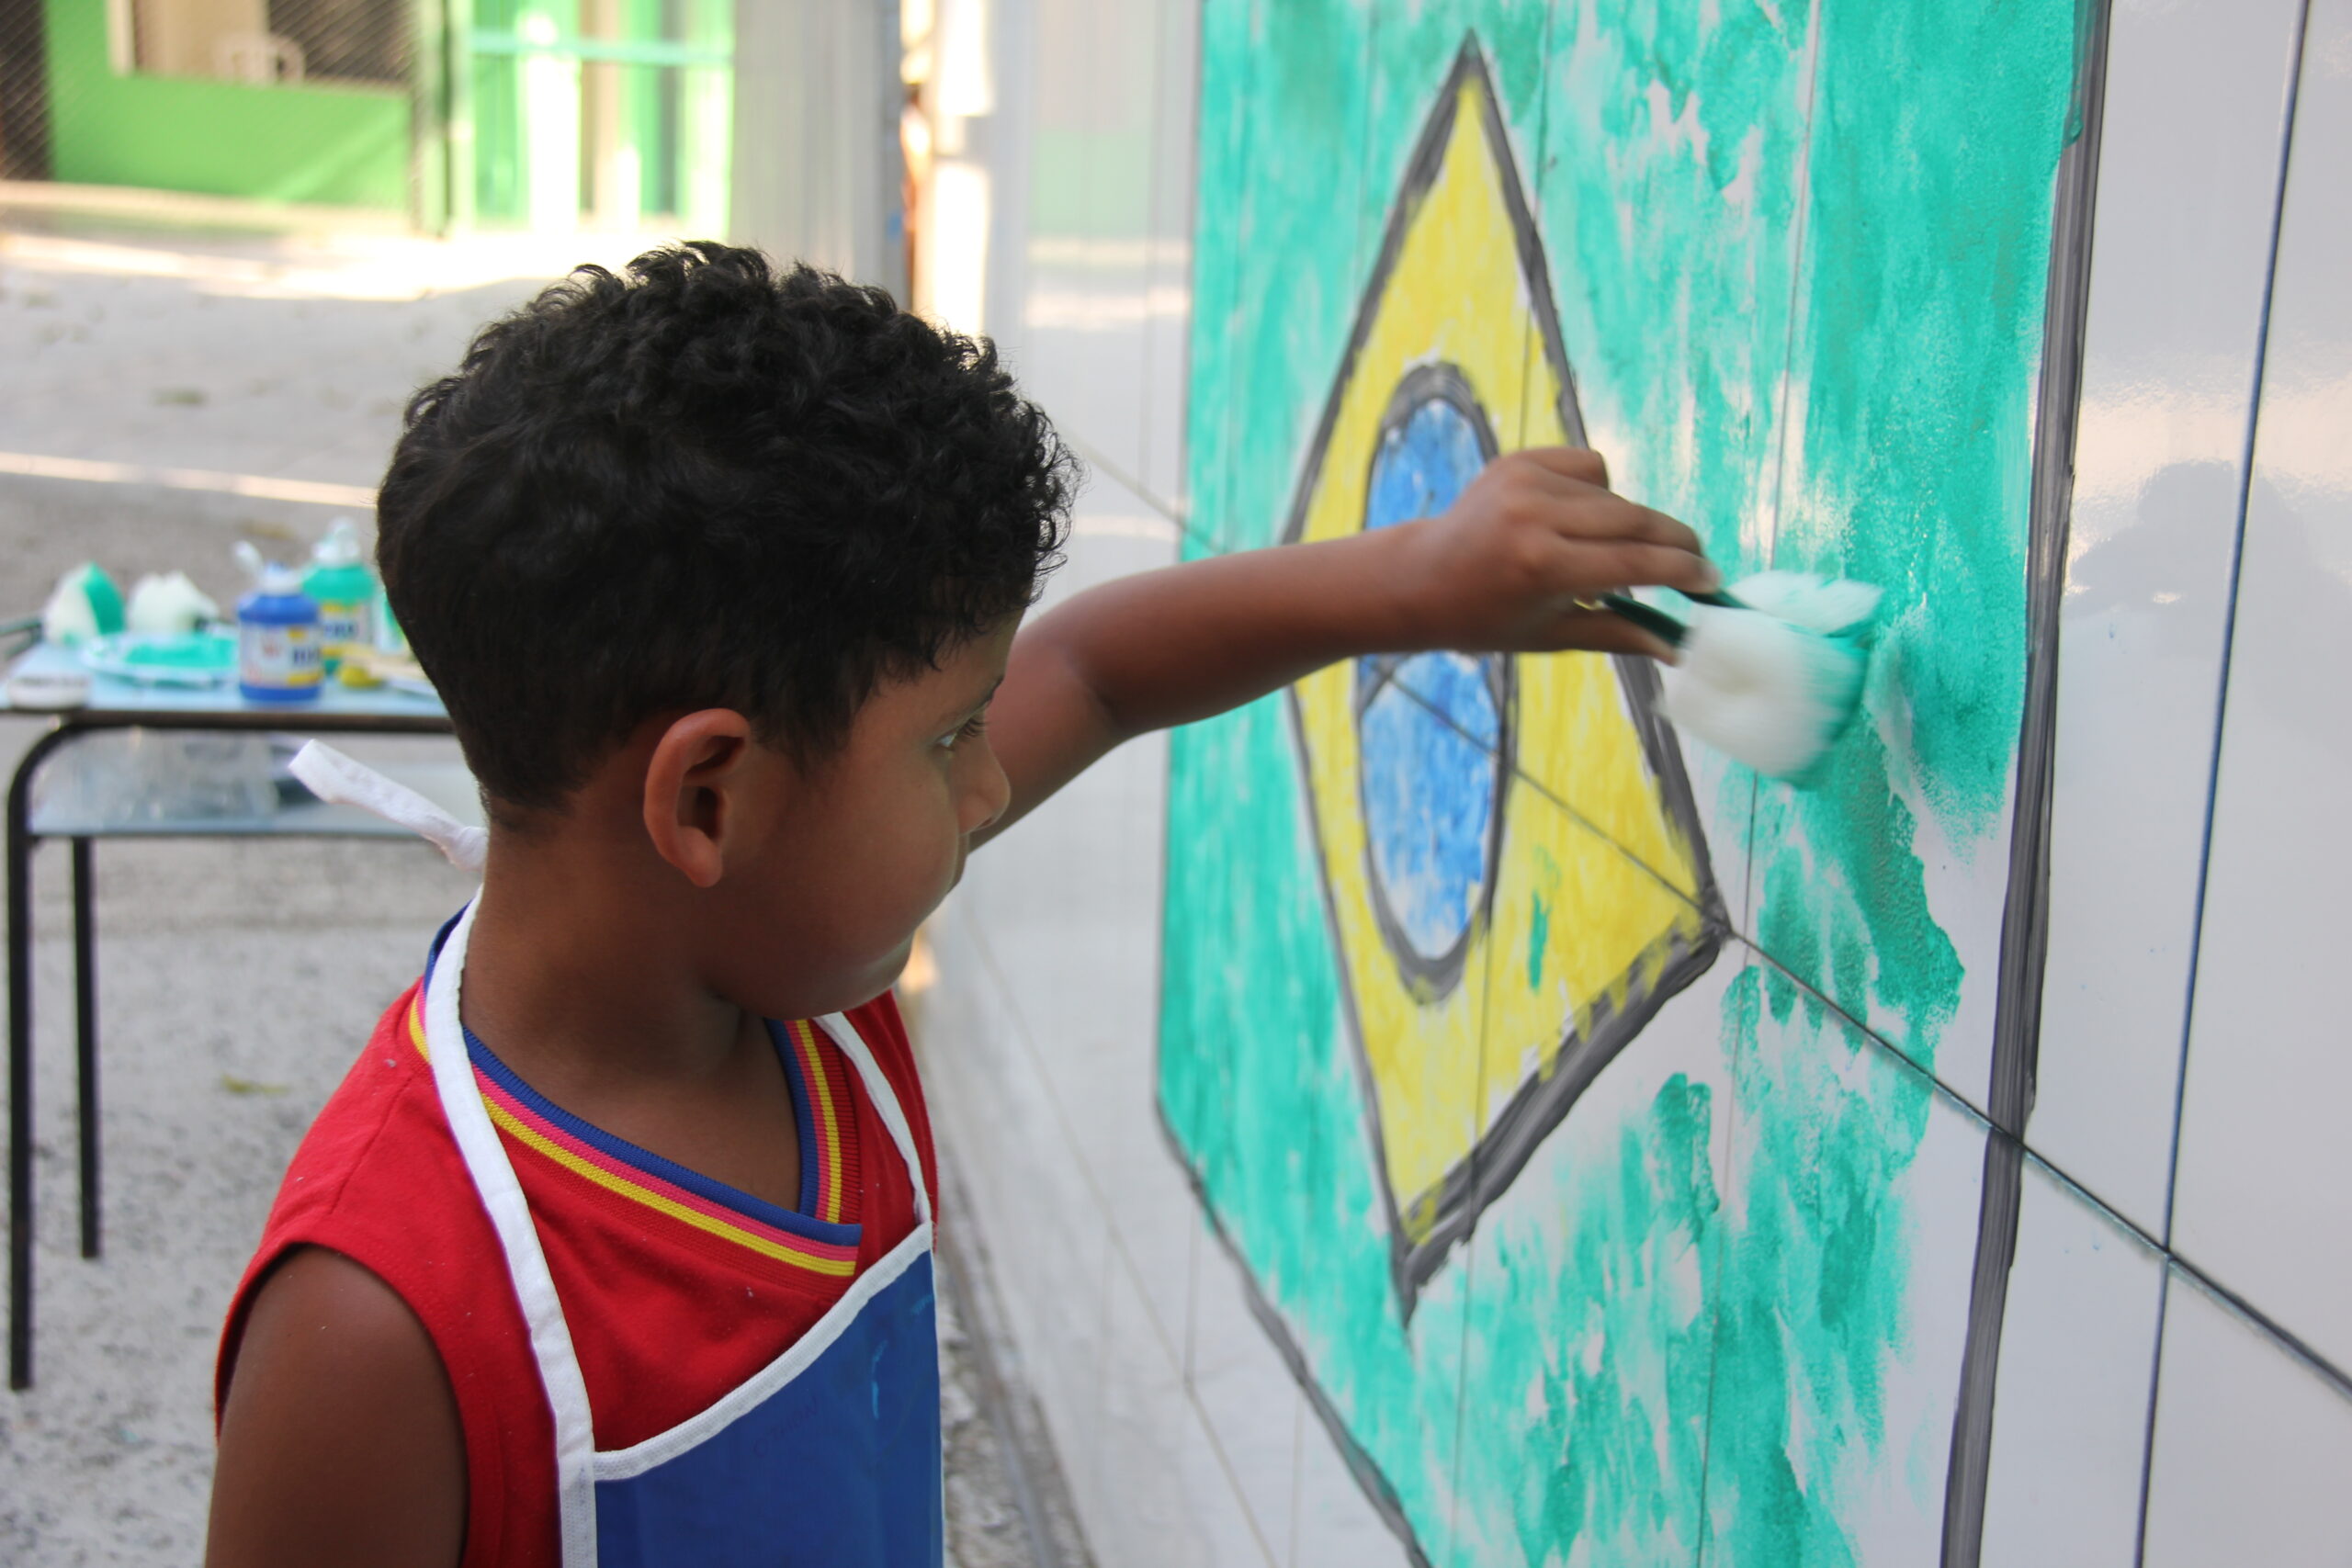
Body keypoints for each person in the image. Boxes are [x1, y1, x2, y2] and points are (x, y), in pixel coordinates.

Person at [202, 243, 1715, 1568]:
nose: (989, 785)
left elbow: (1099, 672)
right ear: (708, 799)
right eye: (950, 739)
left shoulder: (783, 962)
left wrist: (1419, 580)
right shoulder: (382, 1326)